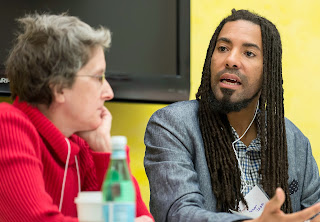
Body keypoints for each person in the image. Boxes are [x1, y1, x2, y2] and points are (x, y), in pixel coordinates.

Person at [144, 9, 320, 222]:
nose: (231, 60)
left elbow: (313, 212)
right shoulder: (172, 126)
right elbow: (178, 212)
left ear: (268, 71)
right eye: (223, 48)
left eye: (248, 53)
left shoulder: (294, 141)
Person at [0, 13, 153, 222]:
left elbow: (138, 217)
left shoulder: (81, 147)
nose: (109, 93)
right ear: (59, 87)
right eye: (98, 77)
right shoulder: (7, 123)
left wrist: (104, 149)